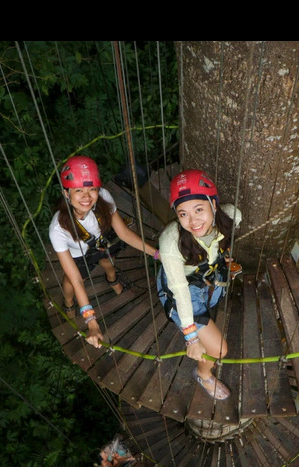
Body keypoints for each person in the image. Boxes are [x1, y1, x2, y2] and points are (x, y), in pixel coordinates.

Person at [49, 155, 159, 349]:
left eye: (92, 189)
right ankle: (68, 303)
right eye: (78, 190)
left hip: (99, 242)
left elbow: (124, 233)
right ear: (66, 193)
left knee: (108, 262)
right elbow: (75, 277)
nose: (87, 196)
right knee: (71, 282)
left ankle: (112, 279)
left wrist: (157, 254)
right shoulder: (58, 229)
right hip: (77, 253)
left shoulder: (103, 198)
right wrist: (91, 320)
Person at [156, 169, 241, 400]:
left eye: (199, 210)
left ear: (213, 204)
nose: (193, 221)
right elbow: (179, 290)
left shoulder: (230, 216)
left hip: (209, 280)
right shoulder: (171, 240)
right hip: (181, 291)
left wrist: (223, 255)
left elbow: (230, 226)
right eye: (183, 214)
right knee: (219, 350)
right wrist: (191, 338)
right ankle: (203, 375)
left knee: (211, 314)